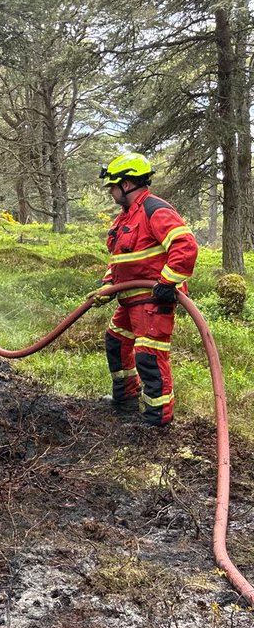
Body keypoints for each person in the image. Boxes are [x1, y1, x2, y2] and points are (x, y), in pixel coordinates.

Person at [92, 152, 198, 427]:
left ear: (126, 184)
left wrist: (167, 283)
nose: (111, 192)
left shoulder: (155, 210)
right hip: (128, 301)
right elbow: (120, 260)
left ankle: (156, 419)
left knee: (148, 356)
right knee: (116, 343)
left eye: (113, 186)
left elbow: (185, 247)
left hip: (152, 301)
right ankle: (125, 398)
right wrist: (107, 285)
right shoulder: (125, 218)